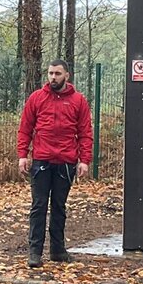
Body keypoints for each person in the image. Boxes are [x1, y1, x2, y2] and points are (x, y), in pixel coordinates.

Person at [16, 60, 93, 268]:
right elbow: (25, 128)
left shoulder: (78, 101)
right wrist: (23, 155)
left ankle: (58, 250)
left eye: (57, 73)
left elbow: (85, 133)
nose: (53, 77)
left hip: (66, 161)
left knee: (59, 206)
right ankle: (35, 252)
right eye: (50, 73)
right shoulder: (37, 98)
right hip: (41, 159)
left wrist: (84, 160)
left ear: (67, 76)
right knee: (39, 206)